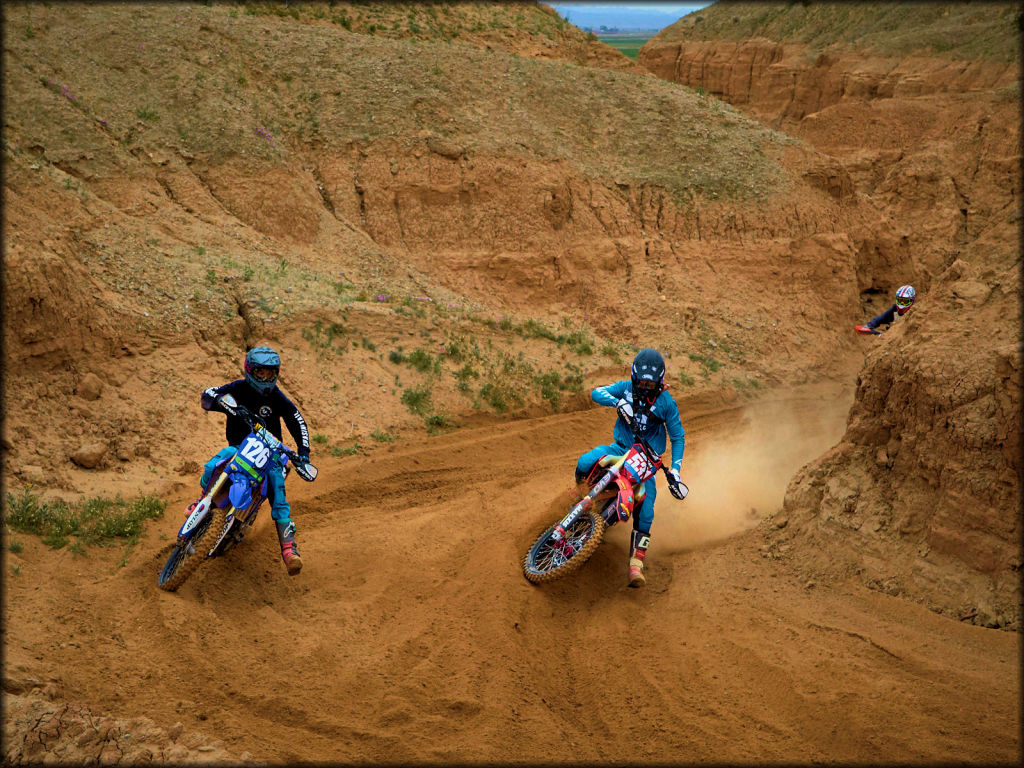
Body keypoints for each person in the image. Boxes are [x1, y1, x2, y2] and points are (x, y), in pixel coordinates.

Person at [575, 348, 687, 588]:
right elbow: (596, 392)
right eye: (642, 382)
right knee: (585, 461)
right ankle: (577, 494)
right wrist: (618, 402)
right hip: (620, 449)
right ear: (635, 377)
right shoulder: (626, 387)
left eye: (651, 383)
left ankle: (636, 564)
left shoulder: (667, 403)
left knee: (646, 507)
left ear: (660, 381)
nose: (646, 387)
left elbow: (678, 437)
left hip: (647, 463)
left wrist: (676, 471)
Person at [195, 346, 311, 575]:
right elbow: (208, 395)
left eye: (270, 373)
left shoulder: (276, 396)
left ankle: (289, 550)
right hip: (238, 448)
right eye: (261, 373)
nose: (266, 378)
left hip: (270, 455)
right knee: (214, 464)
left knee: (278, 492)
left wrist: (303, 452)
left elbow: (296, 419)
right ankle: (201, 501)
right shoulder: (237, 388)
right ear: (250, 370)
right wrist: (218, 401)